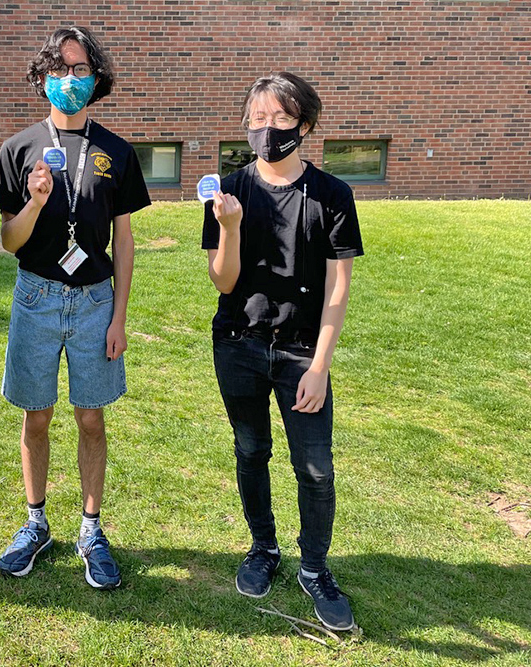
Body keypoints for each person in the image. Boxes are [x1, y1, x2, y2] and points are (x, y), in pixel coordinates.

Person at [0, 26, 150, 589]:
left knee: (90, 415)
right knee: (37, 415)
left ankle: (90, 529)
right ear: (41, 79)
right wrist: (33, 203)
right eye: (57, 70)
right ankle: (35, 524)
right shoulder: (18, 149)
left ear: (96, 78)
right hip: (35, 295)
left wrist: (119, 318)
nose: (69, 80)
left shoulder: (117, 152)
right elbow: (7, 241)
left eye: (79, 70)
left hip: (94, 302)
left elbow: (124, 242)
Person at [202, 72, 363, 630]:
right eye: (258, 119)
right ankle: (263, 548)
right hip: (239, 345)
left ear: (305, 126)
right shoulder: (228, 190)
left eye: (280, 119)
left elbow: (338, 286)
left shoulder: (332, 195)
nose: (267, 130)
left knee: (315, 469)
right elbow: (223, 283)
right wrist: (230, 228)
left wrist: (319, 366)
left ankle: (315, 568)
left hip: (301, 354)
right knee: (251, 452)